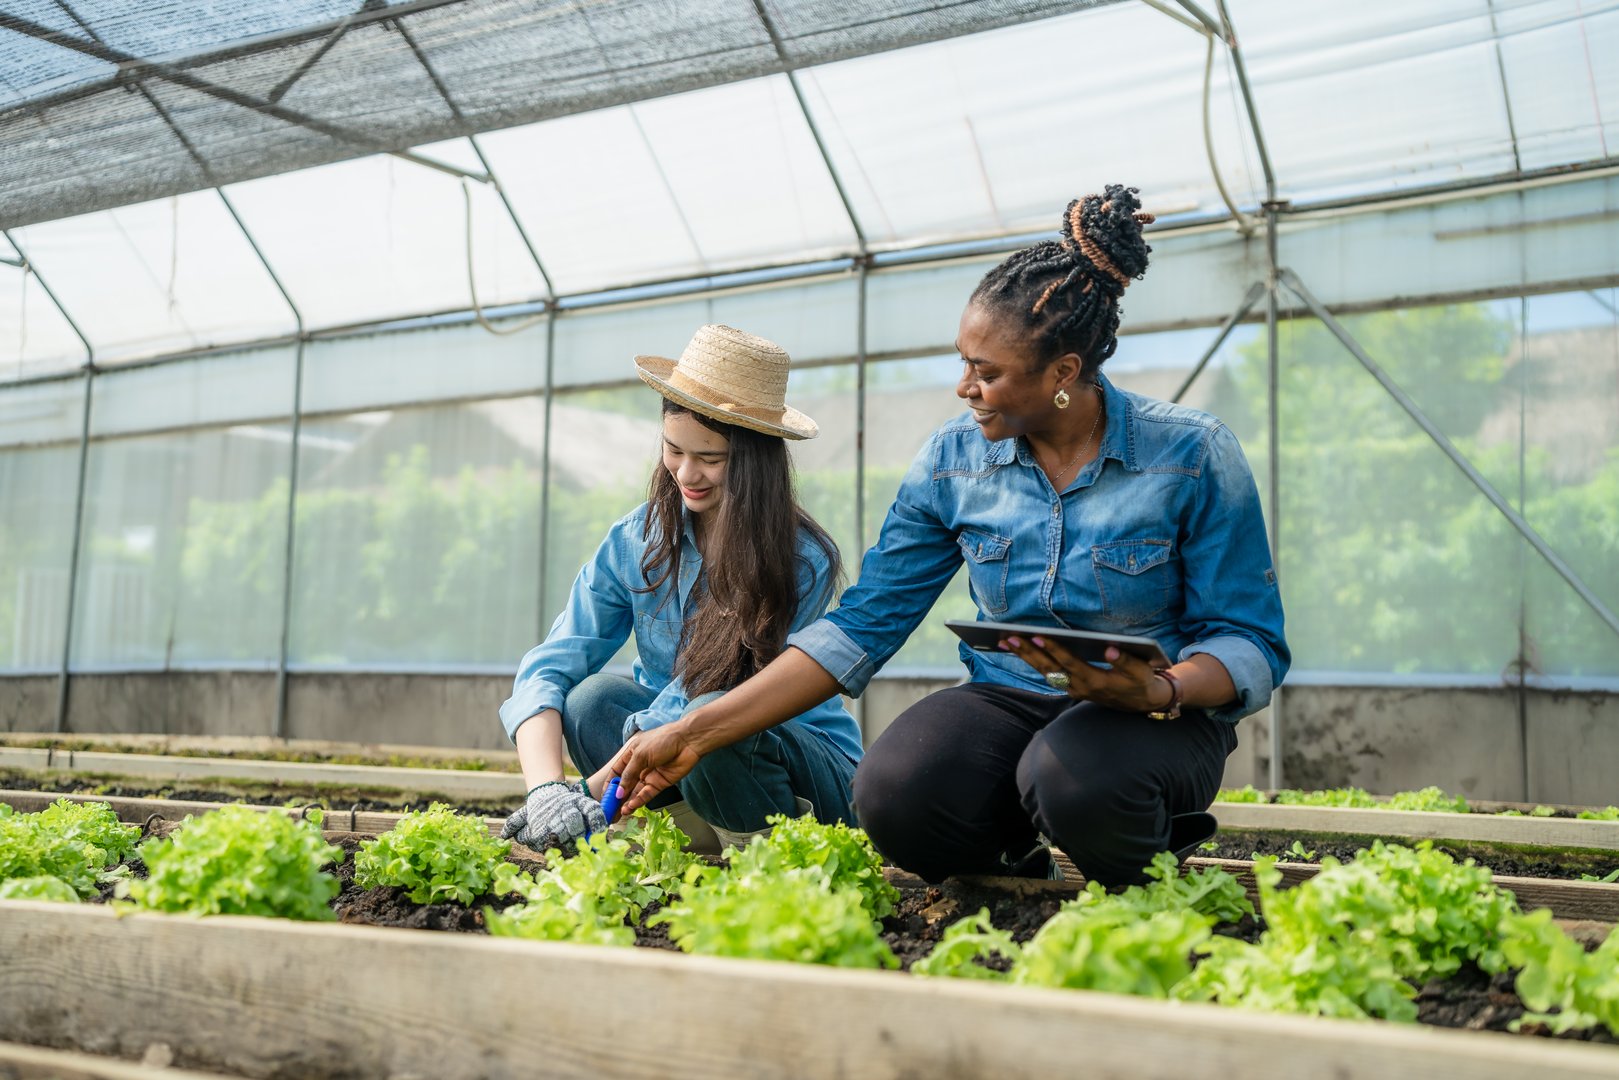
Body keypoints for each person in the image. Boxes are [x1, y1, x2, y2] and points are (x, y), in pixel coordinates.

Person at [609, 186, 1289, 886]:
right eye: (963, 362)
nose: (964, 387)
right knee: (893, 795)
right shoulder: (951, 460)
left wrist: (1164, 690)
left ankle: (1147, 869)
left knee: (1075, 782)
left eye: (986, 372)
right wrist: (695, 730)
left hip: (1155, 719)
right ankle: (1010, 864)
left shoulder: (1189, 453)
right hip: (1012, 696)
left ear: (1062, 374)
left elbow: (1249, 640)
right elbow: (864, 624)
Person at [497, 324, 862, 854]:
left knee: (714, 722)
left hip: (798, 769)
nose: (686, 474)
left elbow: (705, 704)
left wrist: (587, 794)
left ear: (756, 461)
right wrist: (545, 791)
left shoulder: (802, 560)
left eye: (712, 459)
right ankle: (686, 840)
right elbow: (552, 662)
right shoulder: (636, 540)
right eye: (673, 450)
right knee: (590, 700)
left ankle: (759, 859)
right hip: (670, 764)